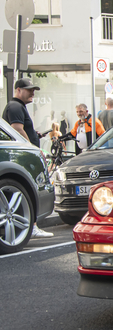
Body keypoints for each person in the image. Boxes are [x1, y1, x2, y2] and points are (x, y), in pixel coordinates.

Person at [2, 78, 54, 238]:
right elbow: (17, 128)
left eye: (34, 90)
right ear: (18, 90)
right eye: (29, 89)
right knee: (30, 188)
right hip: (23, 157)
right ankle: (32, 226)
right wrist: (32, 147)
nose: (32, 93)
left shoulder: (18, 106)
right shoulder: (15, 106)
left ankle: (32, 226)